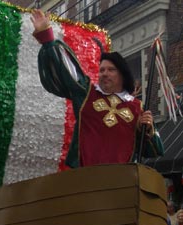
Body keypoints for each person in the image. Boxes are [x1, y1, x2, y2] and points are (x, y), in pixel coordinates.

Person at [30, 9, 164, 168]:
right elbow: (68, 71)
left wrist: (147, 130)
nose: (104, 74)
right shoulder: (87, 94)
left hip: (121, 182)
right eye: (101, 70)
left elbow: (155, 152)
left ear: (122, 75)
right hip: (84, 179)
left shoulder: (136, 107)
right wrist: (47, 39)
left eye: (110, 70)